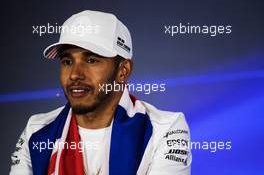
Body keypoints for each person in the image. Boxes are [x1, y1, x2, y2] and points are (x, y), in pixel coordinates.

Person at [10, 10, 192, 175]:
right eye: (67, 61)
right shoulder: (36, 130)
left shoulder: (166, 130)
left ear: (123, 71)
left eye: (91, 60)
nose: (74, 74)